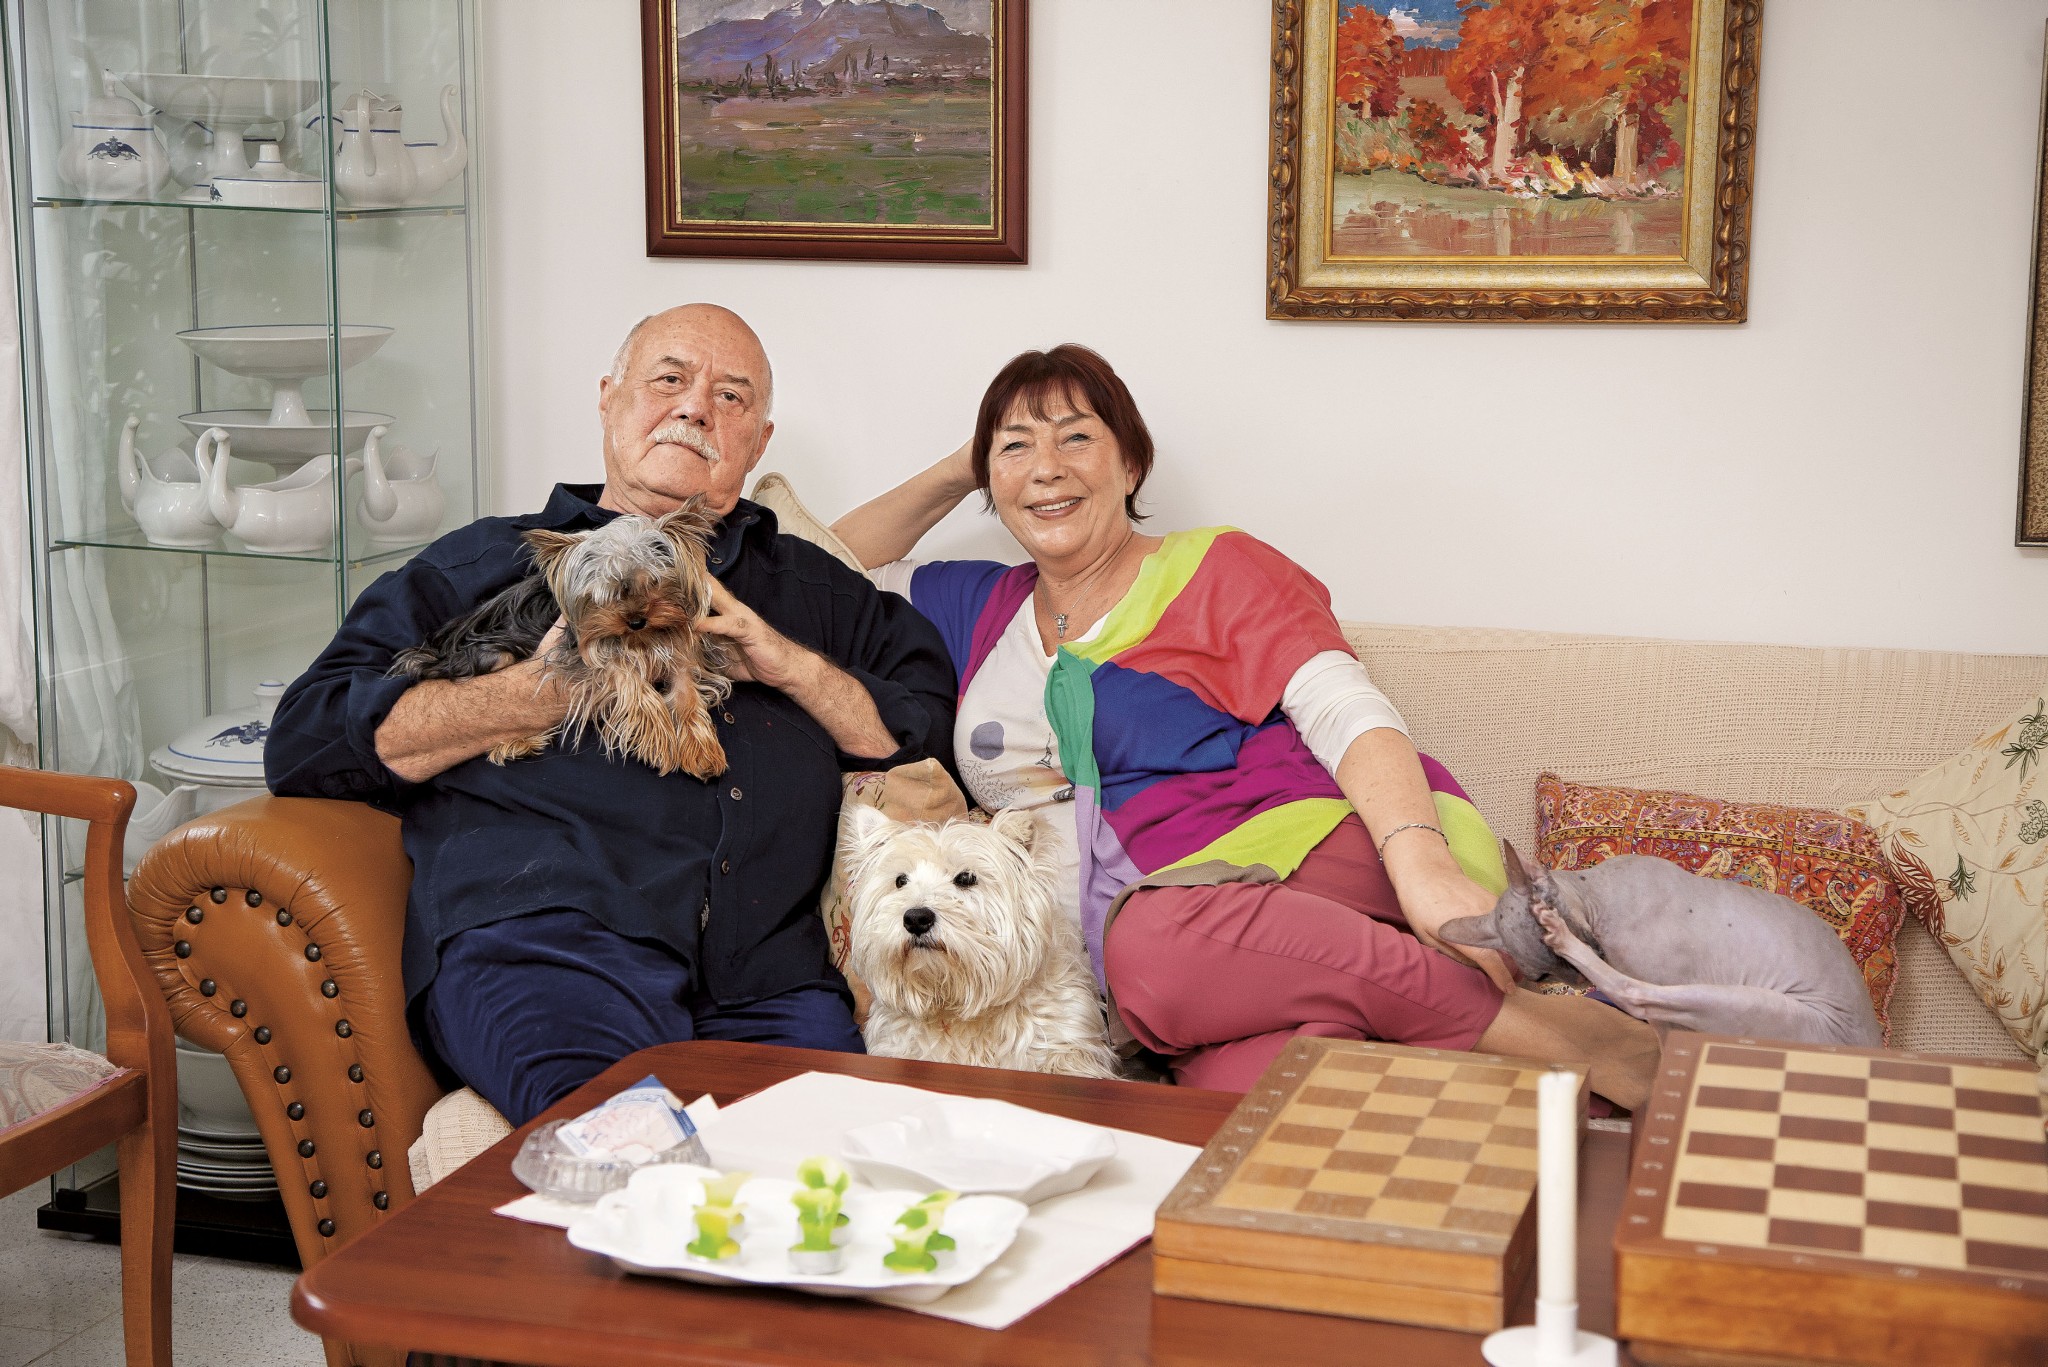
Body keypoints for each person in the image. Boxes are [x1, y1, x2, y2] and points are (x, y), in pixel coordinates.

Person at [831, 344, 1656, 1105]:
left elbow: (1346, 709)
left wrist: (1423, 867)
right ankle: (1515, 1083)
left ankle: (1579, 1042)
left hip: (1306, 855)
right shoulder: (977, 604)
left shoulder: (1216, 567)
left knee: (1152, 947)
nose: (1047, 467)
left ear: (1131, 463)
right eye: (1017, 447)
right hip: (1155, 974)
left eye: (1075, 437)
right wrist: (968, 462)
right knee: (1244, 1093)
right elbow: (822, 562)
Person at [266, 304, 956, 1125]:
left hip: (769, 977)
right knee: (627, 1144)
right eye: (670, 379)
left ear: (759, 442)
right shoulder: (485, 564)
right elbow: (306, 739)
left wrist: (791, 665)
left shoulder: (808, 587)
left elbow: (926, 727)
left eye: (731, 396)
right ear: (608, 398)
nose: (696, 407)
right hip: (550, 945)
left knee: (841, 1160)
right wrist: (532, 693)